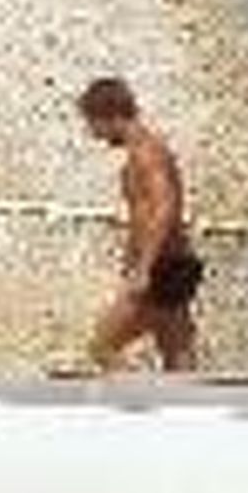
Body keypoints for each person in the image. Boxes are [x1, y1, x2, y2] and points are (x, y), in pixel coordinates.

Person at [77, 77, 202, 372]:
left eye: (93, 124)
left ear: (109, 116)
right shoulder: (146, 150)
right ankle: (184, 401)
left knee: (102, 347)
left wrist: (144, 268)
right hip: (175, 264)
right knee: (178, 358)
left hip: (162, 268)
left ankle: (132, 395)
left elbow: (165, 208)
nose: (94, 134)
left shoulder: (146, 153)